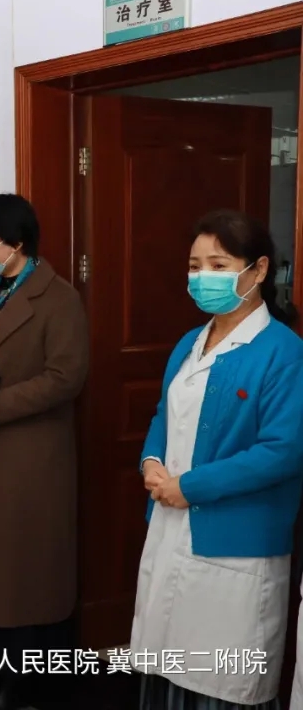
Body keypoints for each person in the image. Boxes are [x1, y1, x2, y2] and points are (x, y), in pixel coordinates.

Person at [136, 210, 303, 710]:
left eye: (218, 265)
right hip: (170, 525)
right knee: (166, 660)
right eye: (194, 266)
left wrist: (189, 487)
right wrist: (150, 461)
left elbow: (282, 451)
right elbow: (164, 414)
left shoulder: (284, 352)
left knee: (220, 675)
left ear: (258, 270)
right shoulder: (189, 343)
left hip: (237, 544)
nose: (202, 277)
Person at [0, 194, 89, 710]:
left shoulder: (59, 298)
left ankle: (25, 680)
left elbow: (66, 376)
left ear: (17, 242)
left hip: (29, 455)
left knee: (22, 568)